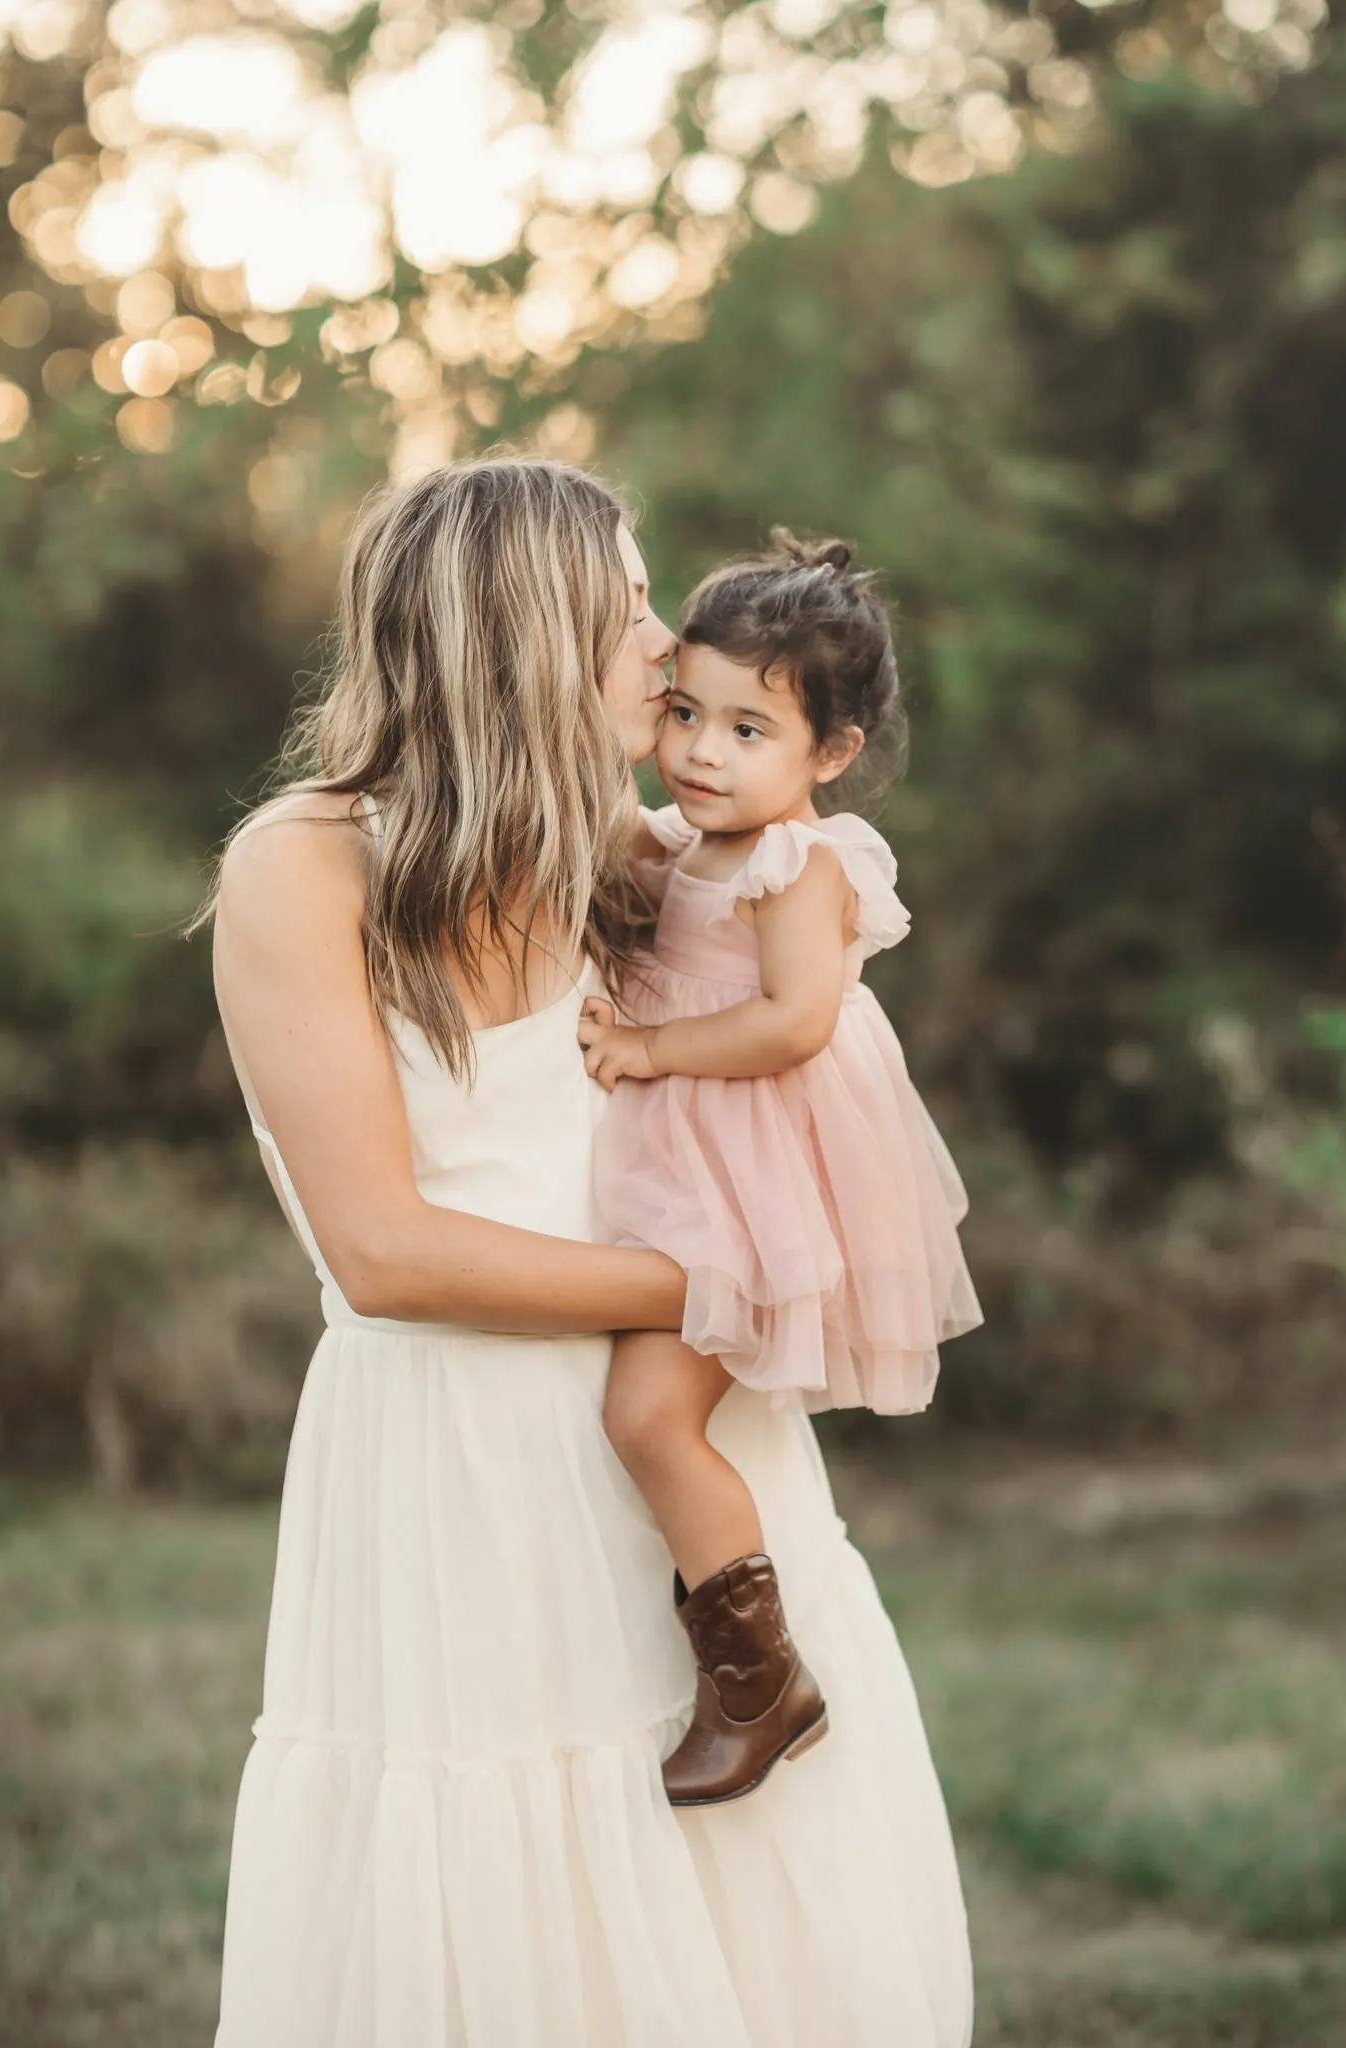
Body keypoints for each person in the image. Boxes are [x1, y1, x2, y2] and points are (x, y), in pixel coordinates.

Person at [209, 458, 973, 2047]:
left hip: (682, 1434)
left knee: (741, 1905)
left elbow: (806, 1068)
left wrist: (775, 1263)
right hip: (457, 1462)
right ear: (523, 629)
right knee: (488, 1875)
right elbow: (385, 1252)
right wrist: (732, 1290)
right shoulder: (305, 863)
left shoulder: (630, 852)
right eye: (624, 603)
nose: (656, 639)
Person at [579, 532, 983, 1808]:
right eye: (686, 711)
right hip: (683, 1162)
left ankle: (760, 1683)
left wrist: (647, 1047)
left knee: (648, 1414)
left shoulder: (799, 863)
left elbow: (795, 1023)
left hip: (758, 1184)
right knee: (633, 1409)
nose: (702, 750)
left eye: (750, 730)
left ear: (833, 753)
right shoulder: (673, 837)